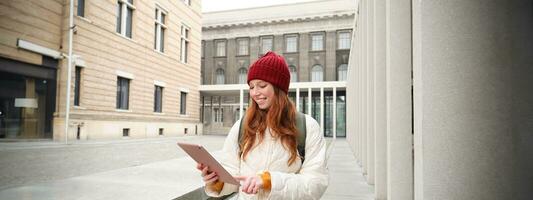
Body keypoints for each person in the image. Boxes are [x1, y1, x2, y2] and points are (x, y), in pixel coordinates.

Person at [197, 51, 328, 199]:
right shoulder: (242, 125)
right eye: (251, 87)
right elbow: (233, 175)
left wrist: (269, 181)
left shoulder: (307, 126)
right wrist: (217, 182)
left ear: (279, 88)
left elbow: (315, 184)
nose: (255, 93)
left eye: (262, 85)